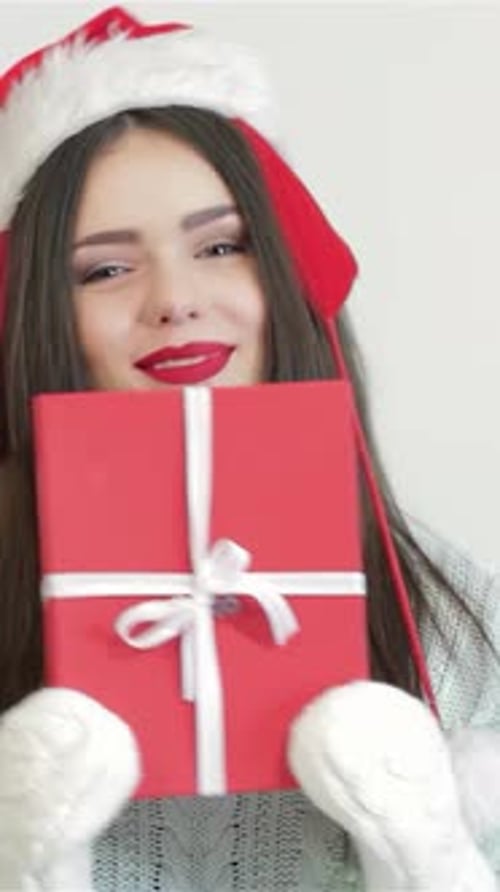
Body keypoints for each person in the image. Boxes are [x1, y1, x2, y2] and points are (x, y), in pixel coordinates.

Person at [0, 6, 498, 891]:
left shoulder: (453, 618)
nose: (176, 300)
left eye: (222, 246)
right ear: (42, 314)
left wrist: (428, 857)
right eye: (106, 268)